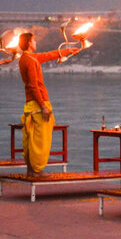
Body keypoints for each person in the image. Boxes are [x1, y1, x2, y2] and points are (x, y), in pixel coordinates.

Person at [18, 32, 79, 177]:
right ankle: (37, 170)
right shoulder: (31, 61)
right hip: (38, 105)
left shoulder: (25, 58)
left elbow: (47, 55)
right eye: (33, 40)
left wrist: (67, 51)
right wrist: (43, 106)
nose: (35, 42)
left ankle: (30, 170)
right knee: (40, 140)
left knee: (31, 140)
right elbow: (34, 86)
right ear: (28, 43)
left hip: (30, 104)